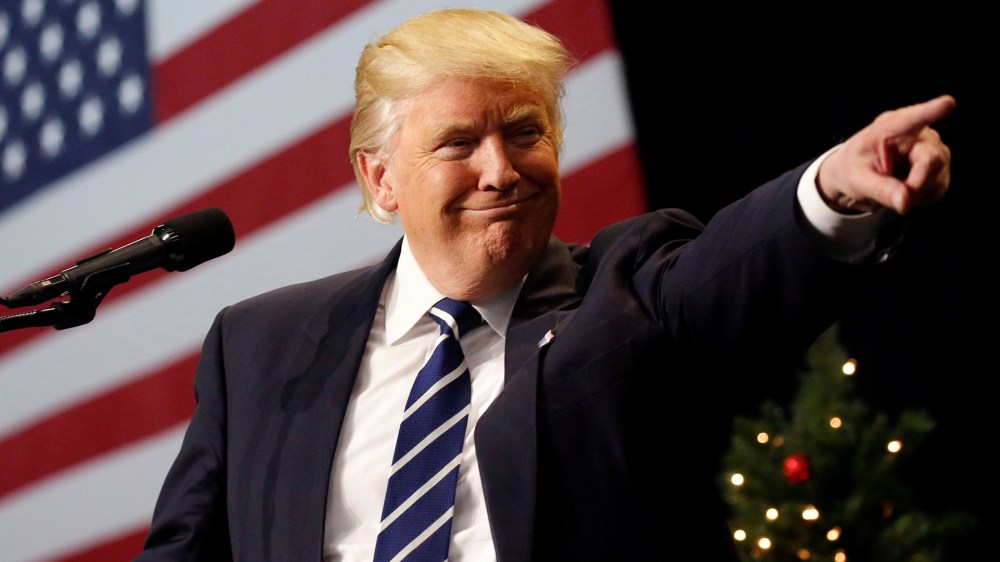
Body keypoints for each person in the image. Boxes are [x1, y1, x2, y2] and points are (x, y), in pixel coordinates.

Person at [135, 8, 955, 561]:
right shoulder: (259, 348)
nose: (501, 170)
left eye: (525, 132)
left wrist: (832, 190)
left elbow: (729, 272)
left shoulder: (628, 291)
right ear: (381, 179)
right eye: (458, 143)